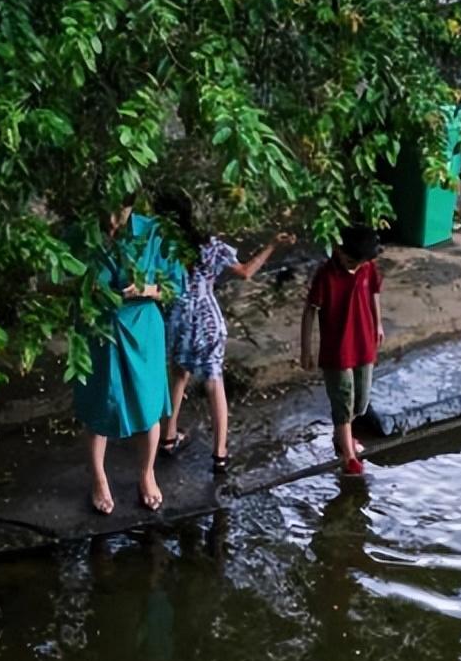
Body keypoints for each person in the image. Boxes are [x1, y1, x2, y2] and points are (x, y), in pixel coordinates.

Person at [158, 192, 295, 474]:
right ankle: (220, 453)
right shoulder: (209, 245)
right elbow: (245, 272)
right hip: (207, 320)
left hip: (177, 319)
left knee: (179, 374)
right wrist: (271, 245)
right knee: (213, 380)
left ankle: (168, 437)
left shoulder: (159, 248)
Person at [73, 196, 185, 514]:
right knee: (99, 403)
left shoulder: (154, 233)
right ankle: (99, 478)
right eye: (104, 211)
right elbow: (48, 281)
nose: (110, 220)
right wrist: (82, 287)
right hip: (97, 331)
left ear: (131, 205)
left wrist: (147, 289)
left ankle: (147, 474)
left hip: (143, 331)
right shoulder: (81, 235)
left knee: (147, 407)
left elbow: (178, 286)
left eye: (118, 213)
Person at [300, 226, 384, 476]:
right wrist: (306, 348)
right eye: (351, 260)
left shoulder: (367, 268)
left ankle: (341, 436)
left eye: (359, 262)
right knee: (343, 400)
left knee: (360, 401)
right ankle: (348, 455)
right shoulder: (326, 275)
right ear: (337, 250)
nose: (355, 266)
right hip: (337, 350)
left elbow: (374, 293)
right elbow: (310, 309)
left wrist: (378, 323)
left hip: (363, 343)